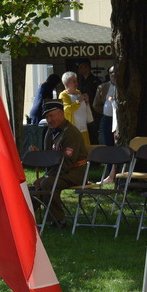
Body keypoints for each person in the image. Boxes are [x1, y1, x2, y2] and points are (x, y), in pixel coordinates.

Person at [29, 99, 88, 228]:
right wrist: (38, 153)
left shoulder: (71, 133)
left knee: (48, 183)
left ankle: (58, 220)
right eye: (46, 117)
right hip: (58, 171)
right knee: (32, 188)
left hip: (75, 172)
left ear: (61, 113)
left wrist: (46, 177)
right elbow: (49, 156)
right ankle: (26, 219)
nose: (49, 120)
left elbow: (67, 161)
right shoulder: (50, 131)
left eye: (52, 115)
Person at [59, 71, 91, 146]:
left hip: (83, 128)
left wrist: (86, 101)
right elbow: (67, 109)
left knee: (85, 149)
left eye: (76, 81)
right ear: (67, 84)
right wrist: (78, 101)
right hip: (72, 130)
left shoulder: (78, 92)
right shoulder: (63, 95)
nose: (77, 84)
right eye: (74, 82)